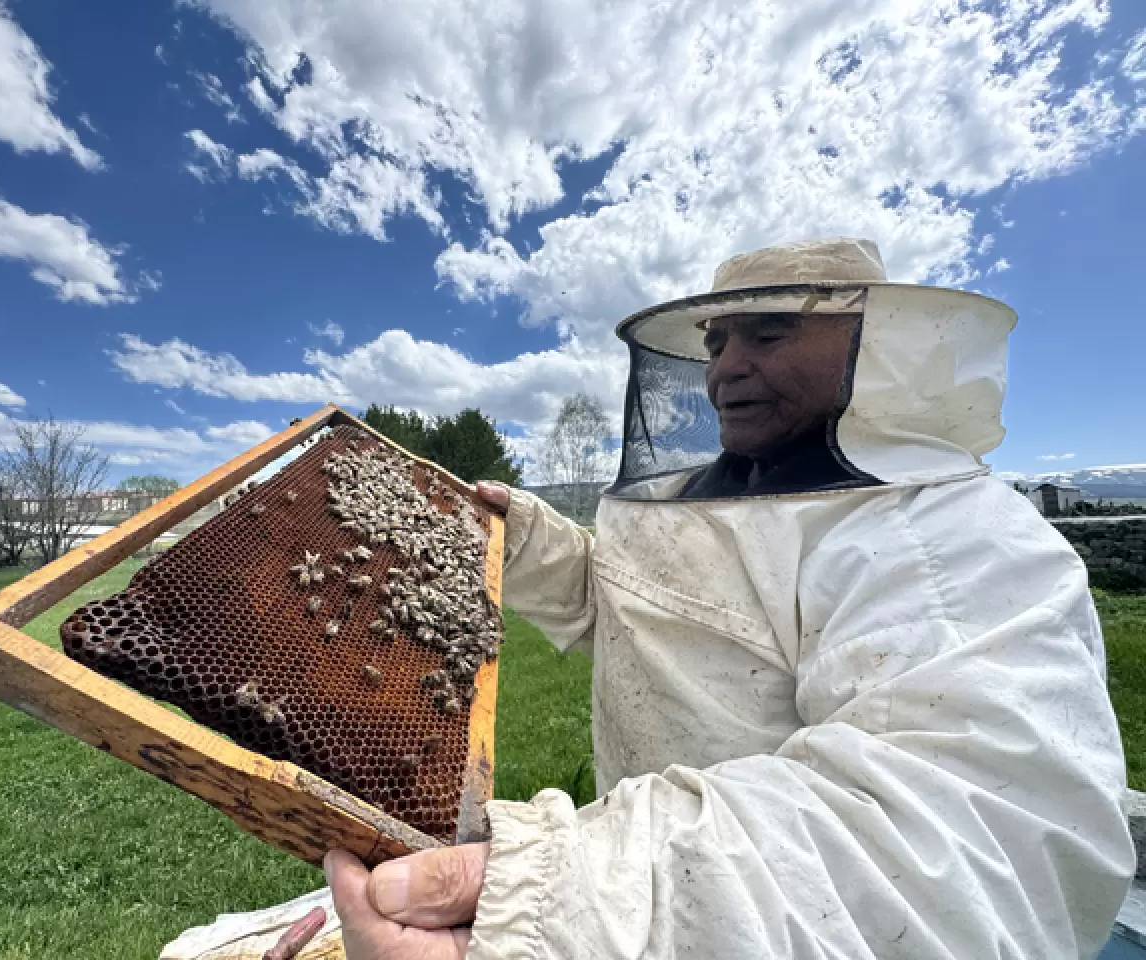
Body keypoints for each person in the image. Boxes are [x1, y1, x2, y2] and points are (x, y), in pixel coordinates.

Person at [321, 238, 1135, 959]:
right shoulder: (705, 497)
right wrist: (531, 546)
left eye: (770, 333)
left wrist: (564, 907)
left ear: (872, 346)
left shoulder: (952, 540)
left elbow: (966, 852)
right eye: (716, 343)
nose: (724, 369)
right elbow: (646, 616)